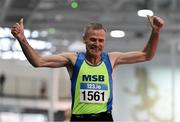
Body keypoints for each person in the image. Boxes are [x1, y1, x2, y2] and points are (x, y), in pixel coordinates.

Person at [11, 15, 164, 121]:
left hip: (104, 117)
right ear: (84, 39)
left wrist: (155, 32)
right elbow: (38, 61)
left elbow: (146, 55)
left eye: (100, 40)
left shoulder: (111, 59)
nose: (97, 44)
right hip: (79, 118)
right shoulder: (73, 59)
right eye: (93, 39)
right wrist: (22, 39)